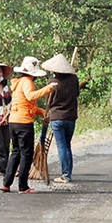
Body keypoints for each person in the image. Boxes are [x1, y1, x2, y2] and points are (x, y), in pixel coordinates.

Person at [1, 56, 56, 194]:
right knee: (26, 154)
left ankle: (6, 183)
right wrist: (48, 89)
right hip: (24, 123)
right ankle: (23, 186)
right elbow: (31, 96)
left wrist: (41, 112)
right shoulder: (27, 82)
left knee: (16, 152)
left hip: (14, 121)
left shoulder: (18, 82)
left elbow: (25, 102)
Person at [41, 54, 80, 183]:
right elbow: (77, 94)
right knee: (67, 145)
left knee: (62, 146)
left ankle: (66, 175)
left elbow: (48, 102)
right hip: (71, 117)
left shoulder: (52, 83)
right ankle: (68, 173)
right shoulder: (74, 79)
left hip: (57, 117)